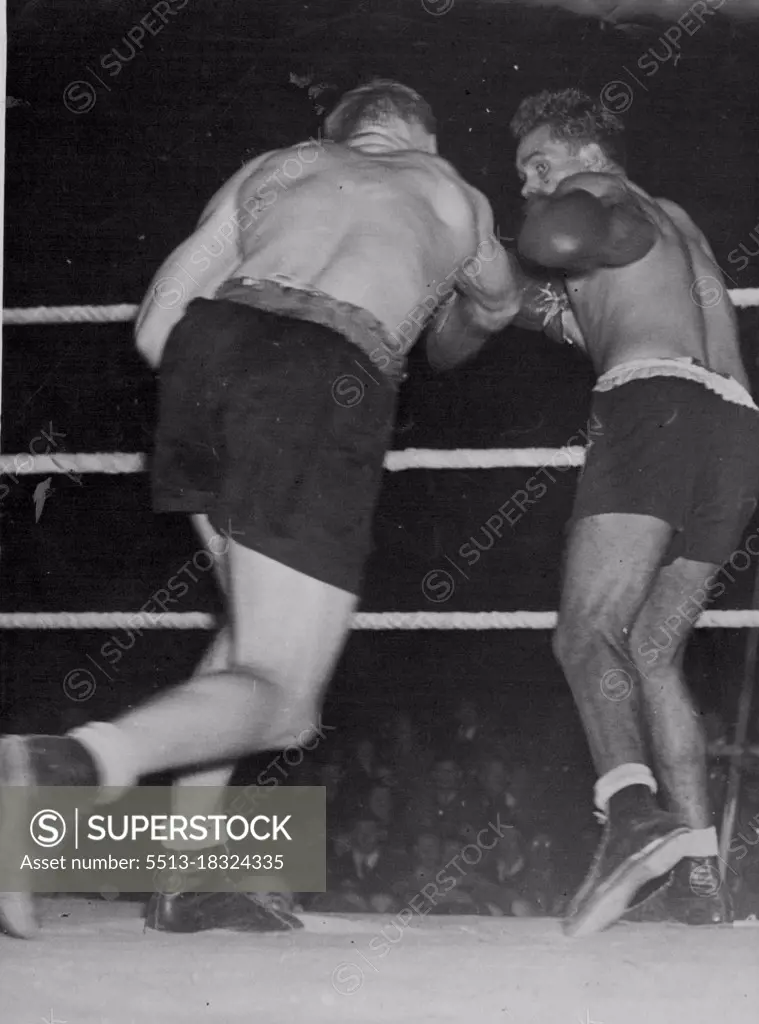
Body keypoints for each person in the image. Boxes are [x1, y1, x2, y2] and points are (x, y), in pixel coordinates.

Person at [0, 79, 521, 939]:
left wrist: (238, 390)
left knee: (249, 636)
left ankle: (185, 876)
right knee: (284, 699)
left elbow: (153, 327)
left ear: (339, 134)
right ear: (421, 137)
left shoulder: (274, 170)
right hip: (322, 370)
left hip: (208, 355)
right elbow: (497, 303)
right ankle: (65, 768)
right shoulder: (451, 190)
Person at [509, 88, 759, 937]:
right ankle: (700, 877)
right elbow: (610, 305)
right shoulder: (671, 215)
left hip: (653, 408)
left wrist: (541, 238)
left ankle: (631, 818)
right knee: (654, 652)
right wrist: (546, 305)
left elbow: (565, 236)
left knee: (586, 633)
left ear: (584, 152)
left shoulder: (602, 196)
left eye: (538, 164)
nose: (529, 184)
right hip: (733, 428)